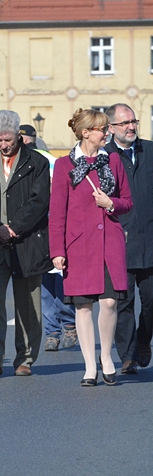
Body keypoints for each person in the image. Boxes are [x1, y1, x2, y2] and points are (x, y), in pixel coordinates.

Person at [49, 108, 132, 387]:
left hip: (110, 242)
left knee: (109, 302)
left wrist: (111, 204)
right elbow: (57, 211)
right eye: (101, 129)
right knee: (83, 306)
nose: (106, 132)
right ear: (86, 133)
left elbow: (127, 202)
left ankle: (106, 357)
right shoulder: (64, 166)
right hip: (78, 245)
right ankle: (89, 366)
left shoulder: (115, 161)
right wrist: (57, 251)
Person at [0, 110, 51, 377]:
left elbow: (39, 201)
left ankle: (25, 358)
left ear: (18, 135)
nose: (4, 145)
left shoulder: (36, 163)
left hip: (27, 242)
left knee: (28, 304)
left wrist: (14, 228)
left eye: (8, 139)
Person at [105, 103, 153, 374]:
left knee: (151, 300)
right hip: (119, 241)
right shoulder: (104, 157)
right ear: (111, 128)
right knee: (122, 303)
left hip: (150, 239)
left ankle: (144, 340)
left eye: (133, 121)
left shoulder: (150, 151)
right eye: (124, 123)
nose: (131, 127)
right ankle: (128, 355)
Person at [21, 124, 77, 352]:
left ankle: (61, 329)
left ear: (23, 140)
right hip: (43, 226)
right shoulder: (50, 158)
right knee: (51, 282)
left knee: (51, 282)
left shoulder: (40, 161)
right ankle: (60, 329)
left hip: (46, 225)